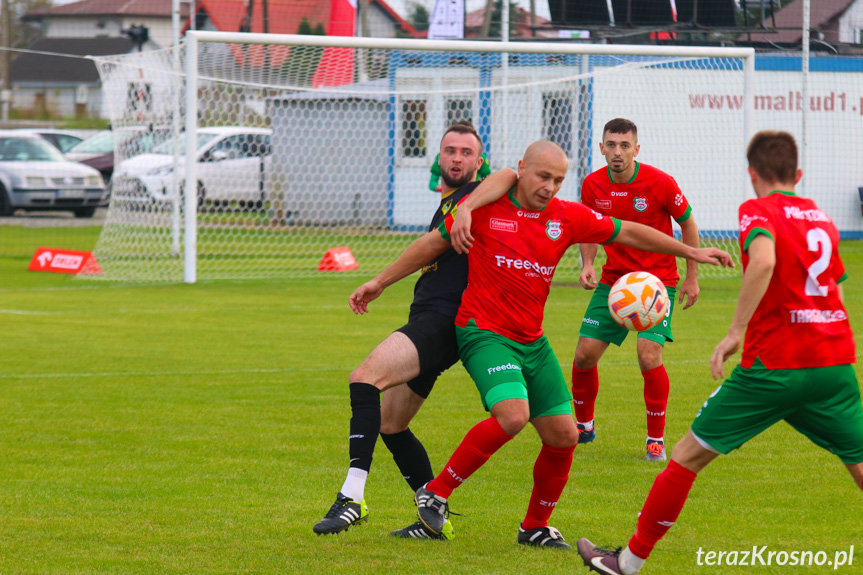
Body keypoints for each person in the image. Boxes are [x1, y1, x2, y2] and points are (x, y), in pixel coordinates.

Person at [350, 140, 732, 547]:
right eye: (543, 176)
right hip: (483, 332)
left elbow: (631, 232)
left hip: (531, 340)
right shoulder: (485, 209)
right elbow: (430, 244)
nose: (550, 186)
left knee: (564, 435)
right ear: (521, 170)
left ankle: (534, 527)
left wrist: (689, 250)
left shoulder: (565, 218)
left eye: (558, 180)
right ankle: (436, 492)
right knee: (513, 416)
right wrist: (378, 282)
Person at [576, 130, 863, 575]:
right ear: (798, 174)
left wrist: (735, 332)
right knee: (858, 463)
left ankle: (626, 564)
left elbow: (764, 260)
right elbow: (836, 292)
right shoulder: (820, 216)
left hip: (774, 366)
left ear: (752, 174)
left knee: (685, 458)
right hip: (834, 363)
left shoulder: (757, 209)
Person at [312, 120, 486, 540]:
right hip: (429, 319)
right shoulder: (450, 202)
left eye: (467, 152)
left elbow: (510, 177)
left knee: (364, 378)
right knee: (390, 423)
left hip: (443, 321)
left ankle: (352, 498)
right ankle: (433, 514)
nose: (457, 158)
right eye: (451, 150)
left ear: (479, 162)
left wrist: (378, 282)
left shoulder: (476, 201)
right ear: (439, 157)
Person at [571, 118, 702, 462]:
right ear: (601, 148)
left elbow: (687, 222)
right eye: (611, 145)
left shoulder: (659, 182)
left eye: (624, 146)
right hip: (615, 281)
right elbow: (588, 228)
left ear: (636, 149)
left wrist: (691, 276)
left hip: (657, 282)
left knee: (648, 355)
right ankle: (583, 426)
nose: (617, 152)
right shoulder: (592, 185)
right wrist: (588, 263)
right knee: (584, 355)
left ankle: (655, 440)